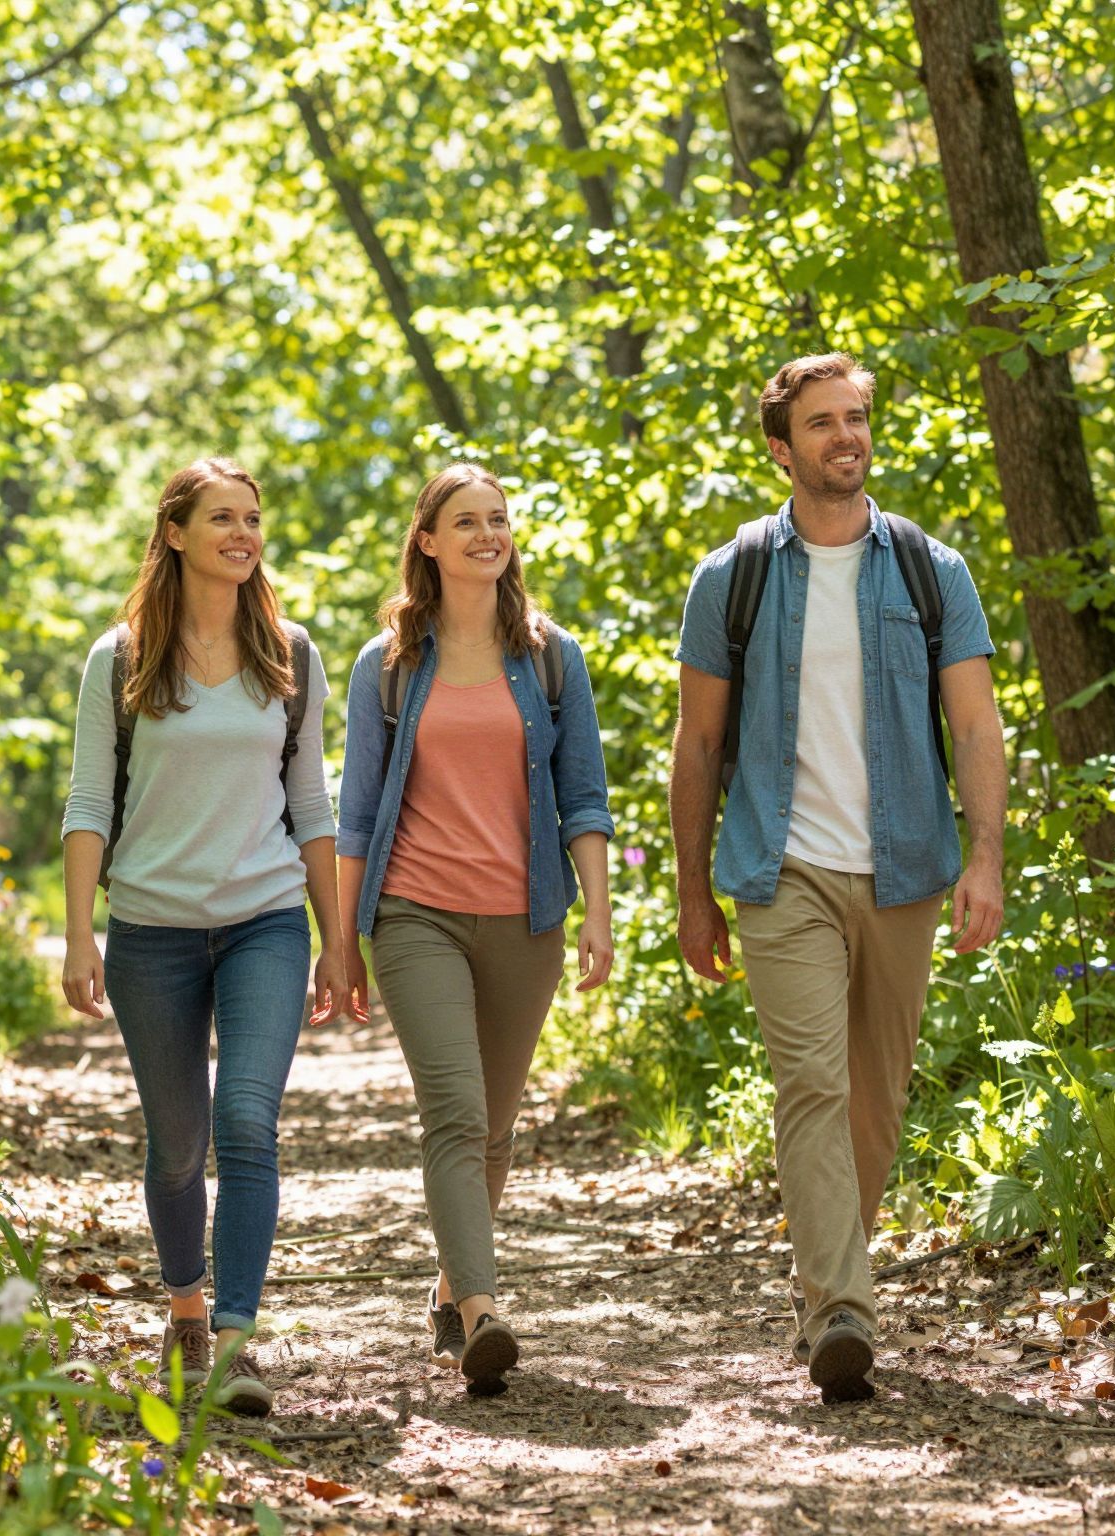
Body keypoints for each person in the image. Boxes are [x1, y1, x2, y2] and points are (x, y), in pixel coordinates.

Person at [668, 353, 1007, 1402]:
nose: (844, 437)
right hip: (781, 869)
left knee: (873, 1103)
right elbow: (696, 741)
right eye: (820, 423)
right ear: (780, 447)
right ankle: (841, 1313)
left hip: (903, 866)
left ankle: (826, 1280)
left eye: (855, 418)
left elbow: (973, 721)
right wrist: (689, 891)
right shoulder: (734, 577)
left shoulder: (926, 570)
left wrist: (985, 856)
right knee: (810, 1086)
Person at [60, 457, 355, 1418]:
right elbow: (91, 801)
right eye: (221, 518)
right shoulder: (123, 657)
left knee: (247, 1126)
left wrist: (335, 938)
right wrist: (77, 935)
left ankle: (234, 1338)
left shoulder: (290, 653)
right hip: (151, 930)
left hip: (265, 922)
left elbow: (312, 804)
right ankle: (183, 1306)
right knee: (179, 1144)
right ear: (175, 532)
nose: (242, 534)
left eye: (253, 519)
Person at [335, 464, 614, 1397]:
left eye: (497, 520)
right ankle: (487, 1309)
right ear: (428, 541)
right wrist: (341, 939)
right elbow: (358, 813)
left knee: (493, 1129)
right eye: (466, 522)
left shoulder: (547, 656)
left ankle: (452, 1287)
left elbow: (584, 798)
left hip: (525, 915)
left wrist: (598, 916)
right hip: (415, 913)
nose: (487, 535)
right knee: (453, 1114)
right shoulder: (389, 665)